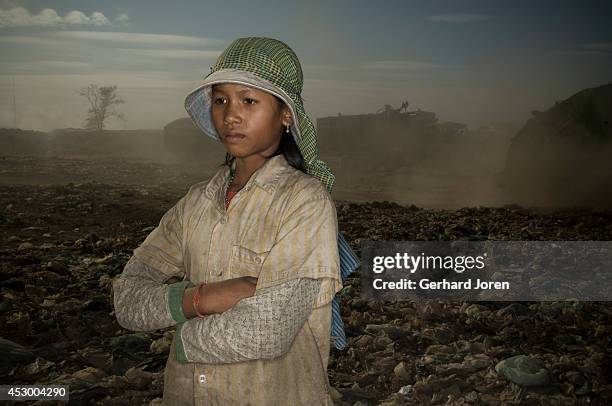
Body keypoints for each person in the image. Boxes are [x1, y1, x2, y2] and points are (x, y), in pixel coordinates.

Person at [113, 37, 359, 405]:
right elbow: (127, 299)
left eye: (248, 100)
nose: (231, 115)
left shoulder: (304, 201)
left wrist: (180, 333)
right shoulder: (196, 202)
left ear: (286, 114)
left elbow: (267, 331)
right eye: (220, 100)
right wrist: (203, 298)